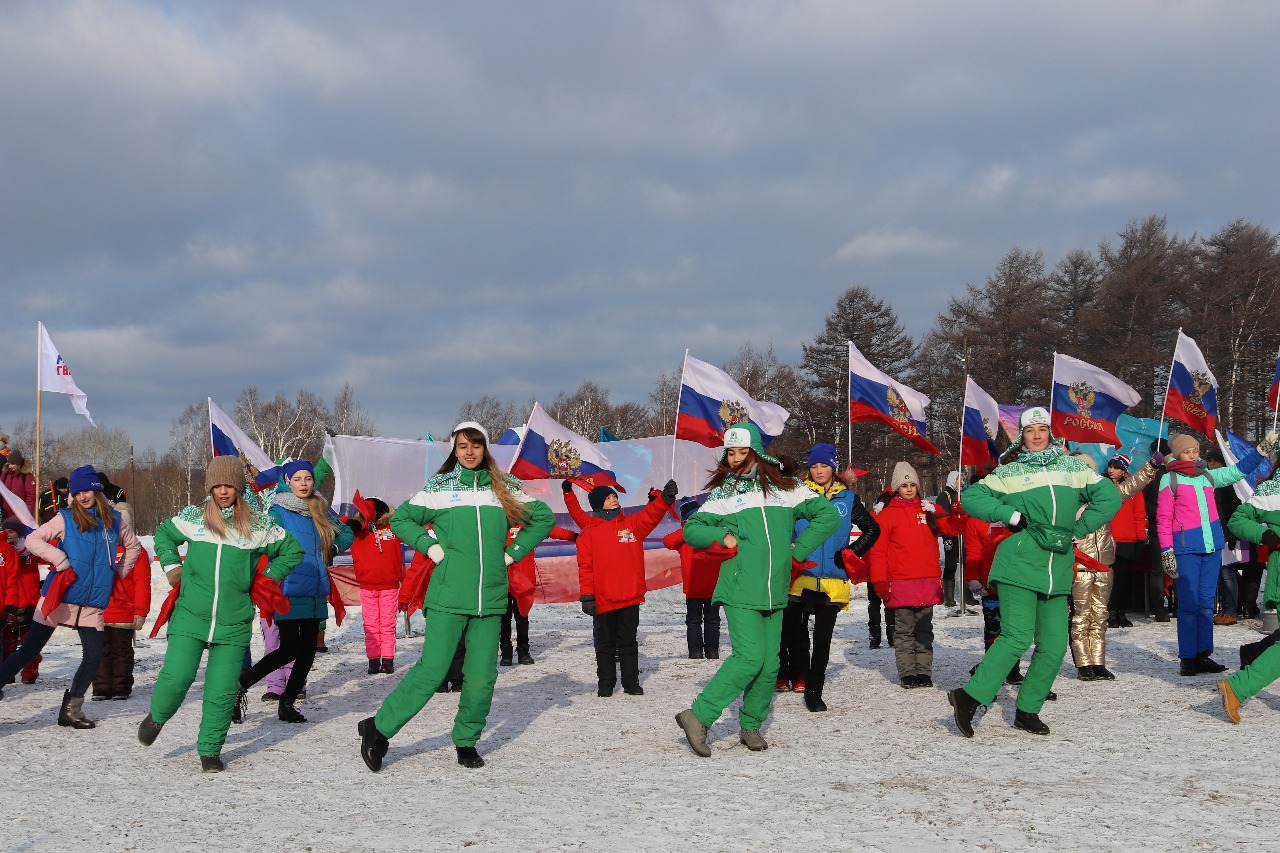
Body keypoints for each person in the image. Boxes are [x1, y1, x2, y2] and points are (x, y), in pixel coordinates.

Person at [358, 422, 553, 772]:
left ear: (485, 449)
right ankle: (379, 728)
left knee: (481, 677)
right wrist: (430, 547)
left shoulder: (503, 488)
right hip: (447, 597)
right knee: (432, 671)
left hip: (490, 599)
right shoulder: (440, 488)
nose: (469, 451)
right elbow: (401, 519)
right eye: (463, 445)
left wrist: (512, 554)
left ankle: (466, 740)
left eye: (476, 445)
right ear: (454, 449)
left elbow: (543, 517)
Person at [947, 408, 1121, 737]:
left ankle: (1027, 709)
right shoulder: (1010, 472)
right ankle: (969, 697)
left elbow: (1109, 496)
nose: (1037, 435)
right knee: (1016, 636)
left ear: (1050, 434)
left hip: (1057, 569)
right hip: (1020, 562)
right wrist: (1009, 515)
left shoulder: (1072, 467)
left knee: (1054, 645)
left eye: (1043, 429)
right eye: (1030, 430)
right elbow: (971, 497)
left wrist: (1081, 527)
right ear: (1022, 436)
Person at [674, 423, 839, 757]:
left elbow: (827, 517)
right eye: (730, 453)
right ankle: (698, 715)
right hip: (740, 588)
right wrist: (722, 537)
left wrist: (795, 553)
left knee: (769, 666)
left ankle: (750, 725)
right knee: (749, 659)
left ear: (757, 452)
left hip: (776, 590)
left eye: (741, 452)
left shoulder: (787, 488)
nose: (735, 459)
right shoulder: (724, 494)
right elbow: (692, 529)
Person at [139, 457, 302, 772]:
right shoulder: (195, 518)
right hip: (190, 615)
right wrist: (172, 568)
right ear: (210, 487)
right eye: (217, 485)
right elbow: (164, 536)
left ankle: (210, 751)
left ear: (238, 487)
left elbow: (292, 550)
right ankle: (158, 716)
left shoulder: (258, 525)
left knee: (223, 690)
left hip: (234, 621)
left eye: (229, 485)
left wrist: (268, 574)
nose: (223, 491)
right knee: (178, 677)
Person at [0, 465, 141, 729]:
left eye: (87, 490)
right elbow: (33, 540)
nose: (83, 496)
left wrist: (118, 572)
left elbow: (134, 546)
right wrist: (60, 559)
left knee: (93, 657)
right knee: (29, 650)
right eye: (77, 492)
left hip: (92, 602)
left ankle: (71, 709)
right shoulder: (64, 518)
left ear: (96, 490)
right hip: (60, 595)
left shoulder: (113, 519)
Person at [238, 459, 354, 722]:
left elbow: (346, 532)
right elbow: (263, 540)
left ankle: (287, 704)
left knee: (308, 651)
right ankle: (241, 685)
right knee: (289, 648)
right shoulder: (278, 510)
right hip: (289, 587)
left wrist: (333, 549)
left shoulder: (320, 507)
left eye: (308, 479)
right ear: (287, 482)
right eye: (298, 479)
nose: (303, 484)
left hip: (316, 586)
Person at [1157, 431, 1273, 676]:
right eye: (1188, 451)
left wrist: (1261, 450)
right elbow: (1163, 519)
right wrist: (1167, 549)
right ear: (1178, 454)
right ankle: (1188, 657)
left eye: (1196, 450)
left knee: (1207, 604)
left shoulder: (1208, 476)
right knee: (1188, 605)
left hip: (1212, 547)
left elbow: (1238, 470)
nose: (1193, 455)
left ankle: (1203, 654)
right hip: (1186, 548)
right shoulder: (1170, 480)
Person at [779, 443, 879, 710]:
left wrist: (850, 552)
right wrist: (789, 551)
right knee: (788, 632)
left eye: (823, 465)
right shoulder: (797, 495)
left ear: (832, 467)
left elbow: (872, 528)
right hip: (800, 578)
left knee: (822, 642)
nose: (819, 470)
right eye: (814, 466)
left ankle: (814, 691)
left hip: (833, 581)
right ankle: (786, 674)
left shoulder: (847, 498)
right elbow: (785, 528)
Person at [565, 476, 677, 697]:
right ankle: (605, 683)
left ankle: (631, 683)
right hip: (604, 598)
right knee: (605, 644)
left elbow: (651, 515)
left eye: (614, 496)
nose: (614, 500)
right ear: (598, 504)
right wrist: (587, 595)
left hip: (630, 596)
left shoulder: (632, 525)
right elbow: (585, 567)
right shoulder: (589, 532)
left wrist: (664, 499)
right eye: (608, 498)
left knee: (628, 642)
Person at [868, 461, 964, 690]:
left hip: (927, 581)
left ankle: (924, 672)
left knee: (924, 630)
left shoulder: (928, 510)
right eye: (904, 484)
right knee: (904, 631)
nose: (909, 488)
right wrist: (879, 580)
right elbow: (878, 551)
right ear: (896, 488)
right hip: (900, 581)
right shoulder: (888, 515)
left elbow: (951, 529)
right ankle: (908, 673)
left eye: (912, 484)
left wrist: (959, 516)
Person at [1068, 452, 1160, 681]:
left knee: (1100, 615)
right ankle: (1083, 664)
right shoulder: (1067, 500)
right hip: (1080, 562)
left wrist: (1151, 466)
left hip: (1105, 562)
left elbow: (1131, 486)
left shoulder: (1106, 496)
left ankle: (1098, 662)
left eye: (1087, 471)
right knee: (1081, 616)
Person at [1216, 468, 1280, 723]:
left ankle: (1249, 663)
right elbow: (1237, 519)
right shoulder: (1272, 490)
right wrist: (1265, 535)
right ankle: (1237, 687)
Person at [663, 497, 733, 660]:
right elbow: (667, 541)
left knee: (697, 621)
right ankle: (709, 651)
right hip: (707, 587)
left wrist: (687, 529)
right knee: (710, 621)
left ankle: (700, 652)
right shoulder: (709, 532)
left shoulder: (689, 536)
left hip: (700, 587)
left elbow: (668, 541)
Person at [500, 524, 576, 667]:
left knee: (522, 618)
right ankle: (506, 652)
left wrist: (574, 536)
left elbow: (550, 530)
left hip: (524, 582)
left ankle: (523, 651)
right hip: (503, 581)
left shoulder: (530, 526)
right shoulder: (501, 522)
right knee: (504, 618)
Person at [346, 495, 404, 675]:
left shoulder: (394, 527)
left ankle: (387, 660)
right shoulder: (357, 530)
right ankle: (373, 660)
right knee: (370, 625)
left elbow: (412, 523)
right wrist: (351, 523)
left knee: (387, 624)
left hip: (390, 585)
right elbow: (338, 524)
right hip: (367, 586)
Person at [91, 543, 153, 700]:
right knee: (122, 651)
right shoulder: (137, 551)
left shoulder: (96, 546)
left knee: (100, 651)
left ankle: (102, 688)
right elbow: (142, 583)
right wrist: (140, 611)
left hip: (99, 609)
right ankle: (120, 687)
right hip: (117, 611)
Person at [1, 518, 45, 685]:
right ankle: (7, 674)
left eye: (11, 531)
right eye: (5, 531)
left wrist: (33, 550)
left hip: (29, 603)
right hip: (10, 604)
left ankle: (30, 670)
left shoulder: (29, 550)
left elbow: (48, 559)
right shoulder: (4, 551)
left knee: (29, 642)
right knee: (8, 643)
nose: (8, 534)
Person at [1106, 454, 1147, 627]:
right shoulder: (1102, 487)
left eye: (1116, 467)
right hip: (1108, 539)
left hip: (1127, 540)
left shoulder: (1133, 489)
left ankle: (1121, 613)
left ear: (1124, 470)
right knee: (1109, 580)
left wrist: (1140, 539)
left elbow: (1139, 514)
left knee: (1123, 580)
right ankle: (1110, 613)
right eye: (1110, 466)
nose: (1111, 470)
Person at [1, 449, 37, 521]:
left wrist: (27, 514)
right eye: (9, 463)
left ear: (18, 464)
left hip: (21, 515)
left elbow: (31, 496)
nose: (10, 466)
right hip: (5, 514)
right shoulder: (4, 475)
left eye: (13, 464)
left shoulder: (26, 476)